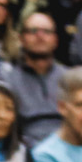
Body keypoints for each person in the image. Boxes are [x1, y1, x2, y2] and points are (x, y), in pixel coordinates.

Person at [10, 14, 65, 148]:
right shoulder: (8, 80)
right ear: (21, 39)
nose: (40, 36)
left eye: (46, 31)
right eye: (33, 31)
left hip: (68, 145)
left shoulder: (70, 77)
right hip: (26, 151)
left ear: (55, 40)